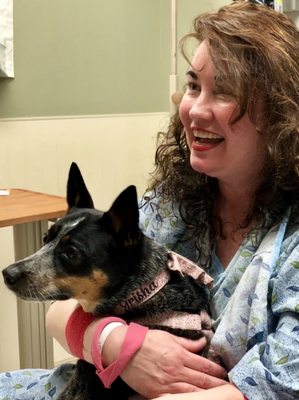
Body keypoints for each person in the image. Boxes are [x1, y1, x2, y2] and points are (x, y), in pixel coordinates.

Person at [1, 1, 299, 399]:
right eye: (193, 85)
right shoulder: (170, 205)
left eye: (224, 91)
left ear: (282, 116)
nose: (193, 110)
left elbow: (279, 385)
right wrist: (120, 347)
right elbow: (58, 314)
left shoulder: (289, 245)